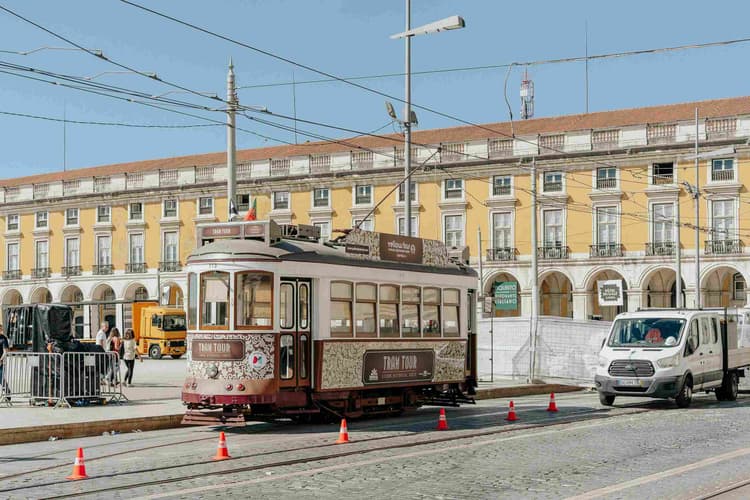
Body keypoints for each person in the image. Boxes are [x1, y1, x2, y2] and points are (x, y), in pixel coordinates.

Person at [0, 326, 10, 401]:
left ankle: (8, 393)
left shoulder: (3, 339)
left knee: (1, 379)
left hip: (1, 362)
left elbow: (5, 351)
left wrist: (0, 360)